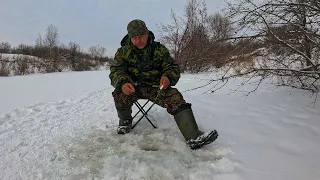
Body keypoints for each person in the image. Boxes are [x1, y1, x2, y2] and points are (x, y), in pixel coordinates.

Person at [109, 19, 218, 149]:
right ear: (130, 37)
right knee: (119, 93)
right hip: (133, 88)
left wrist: (167, 77)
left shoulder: (159, 49)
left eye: (141, 37)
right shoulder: (123, 52)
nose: (138, 40)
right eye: (134, 38)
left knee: (175, 97)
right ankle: (125, 122)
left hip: (156, 88)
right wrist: (123, 83)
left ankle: (193, 137)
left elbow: (172, 67)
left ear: (147, 34)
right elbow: (116, 70)